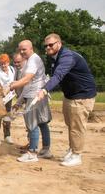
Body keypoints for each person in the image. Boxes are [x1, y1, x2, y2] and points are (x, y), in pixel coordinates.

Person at [36, 33, 97, 167]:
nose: (48, 48)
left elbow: (58, 76)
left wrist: (44, 90)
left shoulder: (67, 57)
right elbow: (56, 77)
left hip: (82, 95)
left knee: (77, 127)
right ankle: (72, 149)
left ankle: (77, 155)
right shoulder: (55, 58)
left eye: (51, 45)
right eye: (46, 46)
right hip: (70, 95)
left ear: (59, 43)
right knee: (71, 124)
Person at [8, 40, 52, 162]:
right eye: (20, 49)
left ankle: (32, 153)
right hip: (39, 94)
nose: (22, 52)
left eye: (24, 49)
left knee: (32, 124)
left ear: (31, 48)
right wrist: (18, 102)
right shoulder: (32, 60)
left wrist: (12, 86)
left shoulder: (33, 60)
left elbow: (27, 81)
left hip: (34, 95)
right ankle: (46, 150)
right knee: (42, 122)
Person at [0, 53, 15, 145]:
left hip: (10, 96)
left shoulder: (12, 69)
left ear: (8, 62)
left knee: (7, 115)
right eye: (1, 63)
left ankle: (7, 135)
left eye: (5, 63)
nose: (3, 65)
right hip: (0, 97)